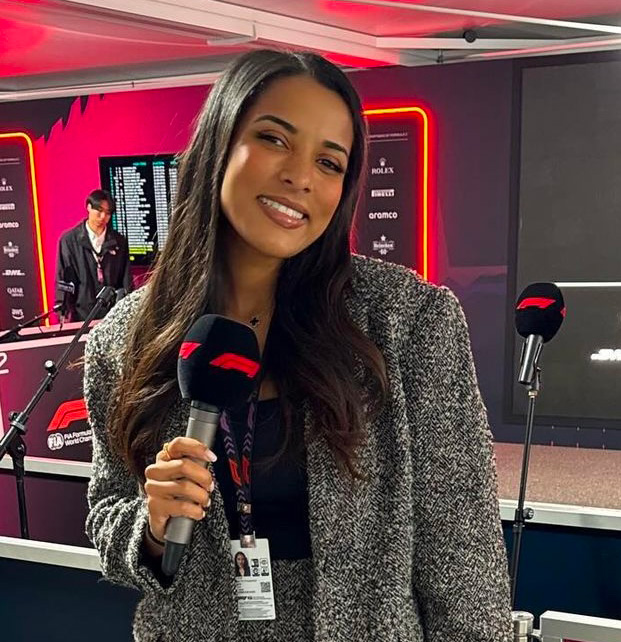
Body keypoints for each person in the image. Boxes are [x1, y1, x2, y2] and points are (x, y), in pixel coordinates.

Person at [83, 49, 510, 641]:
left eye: (329, 162)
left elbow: (464, 560)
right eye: (274, 139)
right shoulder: (124, 342)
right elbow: (107, 511)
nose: (301, 176)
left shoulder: (406, 323)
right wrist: (153, 528)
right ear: (219, 143)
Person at [55, 190, 129, 321]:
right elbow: (63, 277)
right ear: (89, 207)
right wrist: (62, 309)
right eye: (99, 211)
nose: (102, 217)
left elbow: (125, 278)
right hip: (82, 312)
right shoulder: (69, 240)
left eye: (107, 213)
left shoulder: (119, 241)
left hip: (112, 313)